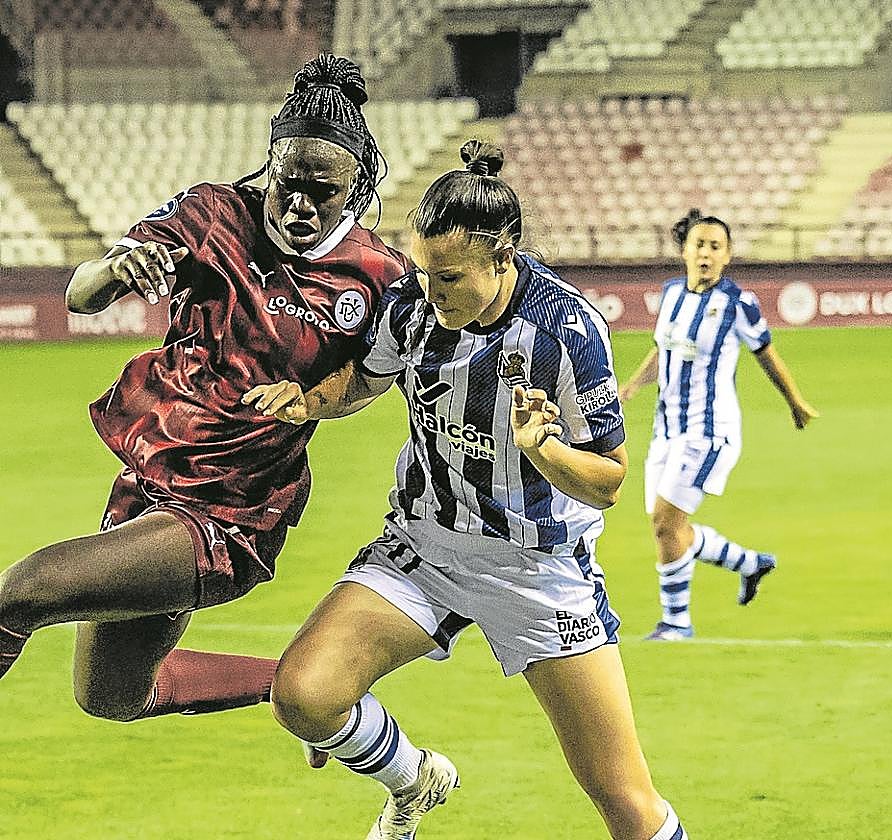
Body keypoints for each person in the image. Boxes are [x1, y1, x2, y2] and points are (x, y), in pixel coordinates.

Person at [244, 141, 690, 840]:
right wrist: (306, 401)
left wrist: (543, 449)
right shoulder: (412, 308)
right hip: (424, 551)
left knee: (626, 804)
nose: (430, 291)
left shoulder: (567, 331)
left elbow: (609, 481)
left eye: (447, 277)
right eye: (422, 272)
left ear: (502, 259)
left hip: (537, 572)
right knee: (302, 696)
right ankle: (415, 781)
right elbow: (363, 380)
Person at [0, 54, 409, 725]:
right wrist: (116, 270)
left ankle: (319, 690)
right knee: (111, 696)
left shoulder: (377, 276)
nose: (300, 201)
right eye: (288, 182)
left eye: (322, 189)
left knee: (22, 591)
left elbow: (370, 382)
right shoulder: (213, 213)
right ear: (270, 167)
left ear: (356, 187)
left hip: (229, 513)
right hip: (152, 480)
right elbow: (80, 295)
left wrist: (310, 401)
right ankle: (308, 686)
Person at [619, 209, 819, 641]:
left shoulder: (737, 304)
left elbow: (767, 353)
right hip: (666, 428)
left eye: (715, 247)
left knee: (665, 525)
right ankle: (751, 563)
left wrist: (795, 401)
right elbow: (663, 350)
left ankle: (676, 623)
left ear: (727, 256)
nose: (706, 254)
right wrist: (632, 387)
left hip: (708, 431)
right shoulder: (671, 294)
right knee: (667, 524)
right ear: (684, 251)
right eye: (699, 245)